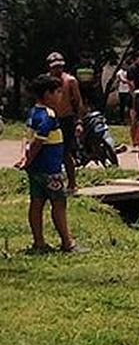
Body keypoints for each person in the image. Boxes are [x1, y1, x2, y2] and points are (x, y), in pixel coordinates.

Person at [16, 75, 76, 253]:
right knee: (59, 203)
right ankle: (67, 242)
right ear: (47, 94)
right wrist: (29, 159)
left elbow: (26, 138)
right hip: (50, 170)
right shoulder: (49, 116)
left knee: (37, 202)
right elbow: (37, 142)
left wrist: (25, 159)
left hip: (36, 170)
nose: (60, 96)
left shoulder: (34, 112)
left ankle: (39, 242)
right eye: (57, 92)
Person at [44, 52, 85, 194]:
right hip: (50, 119)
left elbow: (78, 102)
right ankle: (51, 182)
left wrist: (79, 122)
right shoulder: (45, 81)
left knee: (66, 153)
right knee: (49, 151)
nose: (58, 70)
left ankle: (72, 183)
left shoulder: (70, 81)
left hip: (66, 119)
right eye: (55, 67)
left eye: (60, 67)